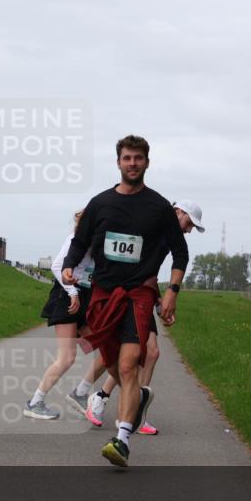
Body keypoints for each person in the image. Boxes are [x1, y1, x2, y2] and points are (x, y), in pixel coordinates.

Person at [61, 135, 188, 467]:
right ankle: (118, 403)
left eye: (139, 158)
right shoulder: (100, 204)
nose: (133, 163)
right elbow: (79, 242)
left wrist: (172, 291)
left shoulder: (159, 207)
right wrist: (67, 267)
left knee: (131, 363)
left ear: (147, 162)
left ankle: (122, 439)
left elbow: (180, 252)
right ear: (118, 162)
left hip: (138, 294)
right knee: (116, 364)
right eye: (127, 158)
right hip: (103, 294)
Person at [85, 199, 206, 435]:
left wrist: (161, 299)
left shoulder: (170, 236)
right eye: (189, 222)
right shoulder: (152, 225)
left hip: (144, 294)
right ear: (178, 212)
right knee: (140, 352)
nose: (189, 229)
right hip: (128, 294)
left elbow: (151, 269)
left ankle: (114, 404)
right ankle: (123, 411)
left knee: (148, 353)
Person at [26, 211, 101, 420]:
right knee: (67, 357)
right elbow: (57, 266)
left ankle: (80, 393)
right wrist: (72, 292)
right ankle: (35, 402)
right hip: (67, 297)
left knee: (105, 349)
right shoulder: (75, 239)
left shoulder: (98, 244)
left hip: (84, 300)